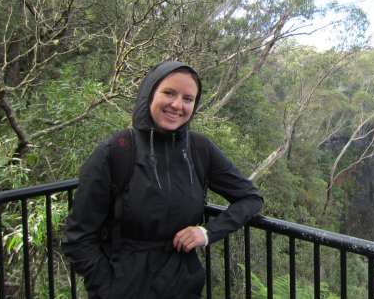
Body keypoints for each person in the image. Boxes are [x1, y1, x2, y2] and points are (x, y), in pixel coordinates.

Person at [62, 61, 263, 298]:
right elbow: (78, 238)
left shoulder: (200, 149)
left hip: (183, 287)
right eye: (169, 93)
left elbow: (250, 198)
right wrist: (107, 287)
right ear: (149, 93)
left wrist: (208, 232)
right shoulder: (116, 151)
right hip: (124, 288)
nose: (177, 105)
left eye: (188, 99)